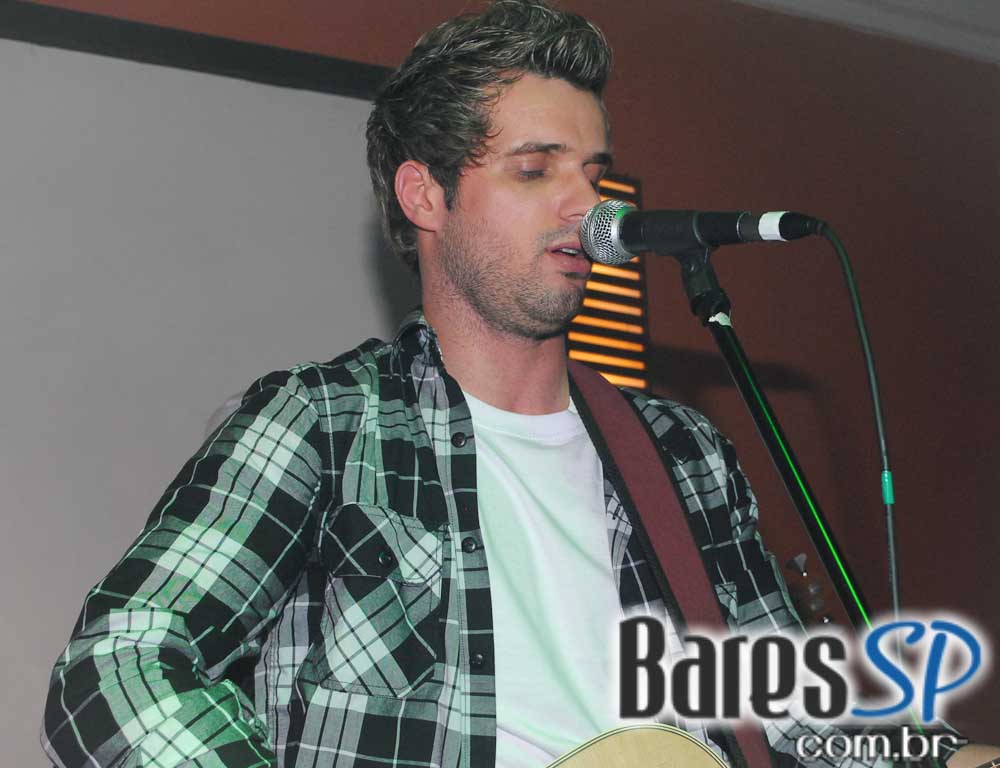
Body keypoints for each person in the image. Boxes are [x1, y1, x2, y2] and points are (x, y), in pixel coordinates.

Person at [40, 2, 988, 767]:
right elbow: (119, 665)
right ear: (425, 196)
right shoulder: (325, 422)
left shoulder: (684, 453)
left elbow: (793, 720)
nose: (587, 204)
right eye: (535, 170)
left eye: (594, 172)